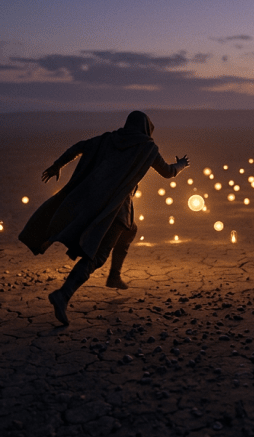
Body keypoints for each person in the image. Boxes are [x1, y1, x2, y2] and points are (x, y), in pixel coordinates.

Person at [18, 111, 189, 326]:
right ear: (146, 129)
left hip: (94, 202)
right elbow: (167, 172)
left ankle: (114, 276)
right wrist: (182, 164)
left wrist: (57, 165)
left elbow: (78, 147)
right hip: (116, 209)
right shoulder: (148, 148)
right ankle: (64, 294)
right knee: (96, 256)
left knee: (130, 230)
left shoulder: (108, 139)